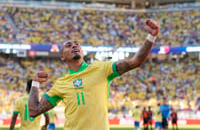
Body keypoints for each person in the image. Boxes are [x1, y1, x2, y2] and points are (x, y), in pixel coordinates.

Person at [28, 19, 160, 130]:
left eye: (77, 44)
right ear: (62, 56)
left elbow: (135, 62)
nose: (74, 46)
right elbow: (34, 111)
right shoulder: (61, 83)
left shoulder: (100, 68)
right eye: (69, 45)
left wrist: (151, 37)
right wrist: (35, 83)